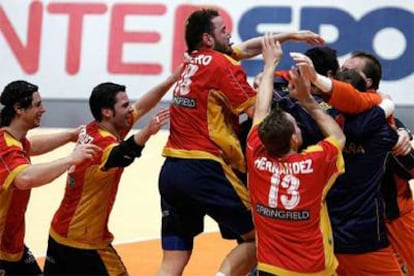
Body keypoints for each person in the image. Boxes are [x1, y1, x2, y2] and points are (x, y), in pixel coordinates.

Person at [43, 71, 179, 275]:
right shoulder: (102, 144)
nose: (130, 109)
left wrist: (172, 79)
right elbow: (121, 155)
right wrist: (147, 132)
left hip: (59, 232)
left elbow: (142, 106)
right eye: (124, 106)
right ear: (107, 112)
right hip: (85, 240)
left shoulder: (95, 128)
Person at [158, 9, 259, 276]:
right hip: (204, 167)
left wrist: (289, 37)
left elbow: (246, 49)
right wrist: (270, 71)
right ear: (208, 38)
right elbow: (258, 114)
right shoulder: (223, 65)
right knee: (262, 235)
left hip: (171, 170)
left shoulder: (190, 61)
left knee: (172, 261)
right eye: (223, 30)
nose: (229, 34)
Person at [292, 51, 403, 275]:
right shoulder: (383, 130)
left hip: (325, 235)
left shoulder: (318, 122)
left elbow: (350, 119)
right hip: (361, 235)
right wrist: (387, 108)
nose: (343, 72)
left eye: (349, 71)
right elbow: (359, 124)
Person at [246, 34, 345, 275]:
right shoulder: (313, 163)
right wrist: (309, 102)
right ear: (294, 138)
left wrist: (269, 65)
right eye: (297, 126)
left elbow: (260, 110)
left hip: (271, 268)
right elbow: (339, 137)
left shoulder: (255, 155)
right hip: (313, 268)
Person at [0, 80, 99, 275]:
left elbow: (31, 146)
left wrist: (69, 135)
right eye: (37, 105)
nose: (43, 110)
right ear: (19, 109)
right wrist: (70, 159)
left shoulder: (14, 139)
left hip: (12, 244)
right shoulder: (5, 148)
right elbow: (25, 178)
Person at [342, 51, 414, 275]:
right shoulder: (332, 114)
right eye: (341, 69)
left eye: (349, 70)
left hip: (394, 214)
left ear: (368, 82)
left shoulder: (386, 122)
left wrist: (400, 136)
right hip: (354, 223)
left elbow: (410, 168)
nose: (342, 74)